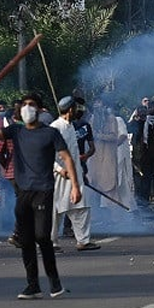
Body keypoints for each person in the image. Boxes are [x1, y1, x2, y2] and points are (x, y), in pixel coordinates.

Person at [0, 92, 81, 299]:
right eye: (24, 104)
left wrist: (75, 186)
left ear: (40, 110)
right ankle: (32, 285)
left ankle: (54, 283)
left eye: (31, 104)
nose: (27, 108)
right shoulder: (16, 131)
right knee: (26, 239)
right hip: (23, 192)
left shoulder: (50, 134)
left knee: (42, 236)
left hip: (43, 191)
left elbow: (66, 158)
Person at [50, 96, 100, 252]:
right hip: (59, 176)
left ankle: (83, 241)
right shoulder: (54, 128)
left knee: (81, 207)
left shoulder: (71, 126)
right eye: (76, 108)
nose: (78, 111)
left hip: (75, 174)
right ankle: (50, 243)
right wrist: (59, 169)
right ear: (70, 109)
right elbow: (47, 155)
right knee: (54, 210)